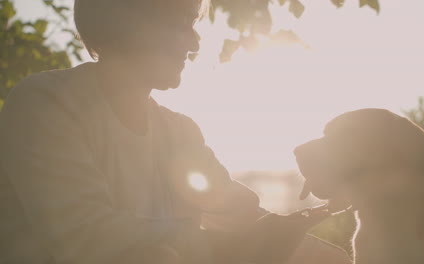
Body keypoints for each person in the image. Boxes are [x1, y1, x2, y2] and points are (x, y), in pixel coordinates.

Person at [0, 0, 352, 263]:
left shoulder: (180, 131)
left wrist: (347, 191)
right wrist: (245, 241)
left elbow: (243, 215)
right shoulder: (46, 103)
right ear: (127, 21)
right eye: (180, 24)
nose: (194, 43)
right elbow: (88, 238)